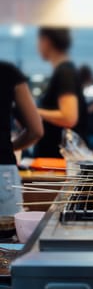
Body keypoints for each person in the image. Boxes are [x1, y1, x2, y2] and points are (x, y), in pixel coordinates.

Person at [34, 28, 87, 158]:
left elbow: (69, 117)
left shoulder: (65, 72)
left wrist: (33, 112)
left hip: (59, 159)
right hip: (57, 157)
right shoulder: (65, 71)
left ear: (46, 41)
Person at [0, 61, 43, 216]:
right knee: (7, 238)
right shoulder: (7, 72)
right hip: (2, 168)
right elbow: (36, 130)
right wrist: (10, 147)